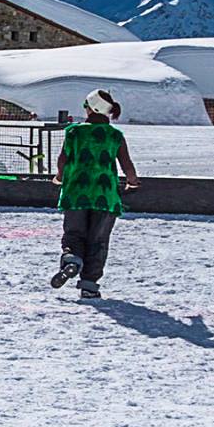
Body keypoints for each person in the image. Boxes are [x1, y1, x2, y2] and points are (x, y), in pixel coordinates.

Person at [52, 89, 140, 300]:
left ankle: (72, 258)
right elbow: (127, 164)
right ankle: (89, 285)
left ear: (91, 108)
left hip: (76, 193)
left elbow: (63, 159)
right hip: (105, 195)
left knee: (74, 233)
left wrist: (59, 177)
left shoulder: (74, 132)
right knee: (98, 240)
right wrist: (132, 182)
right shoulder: (115, 135)